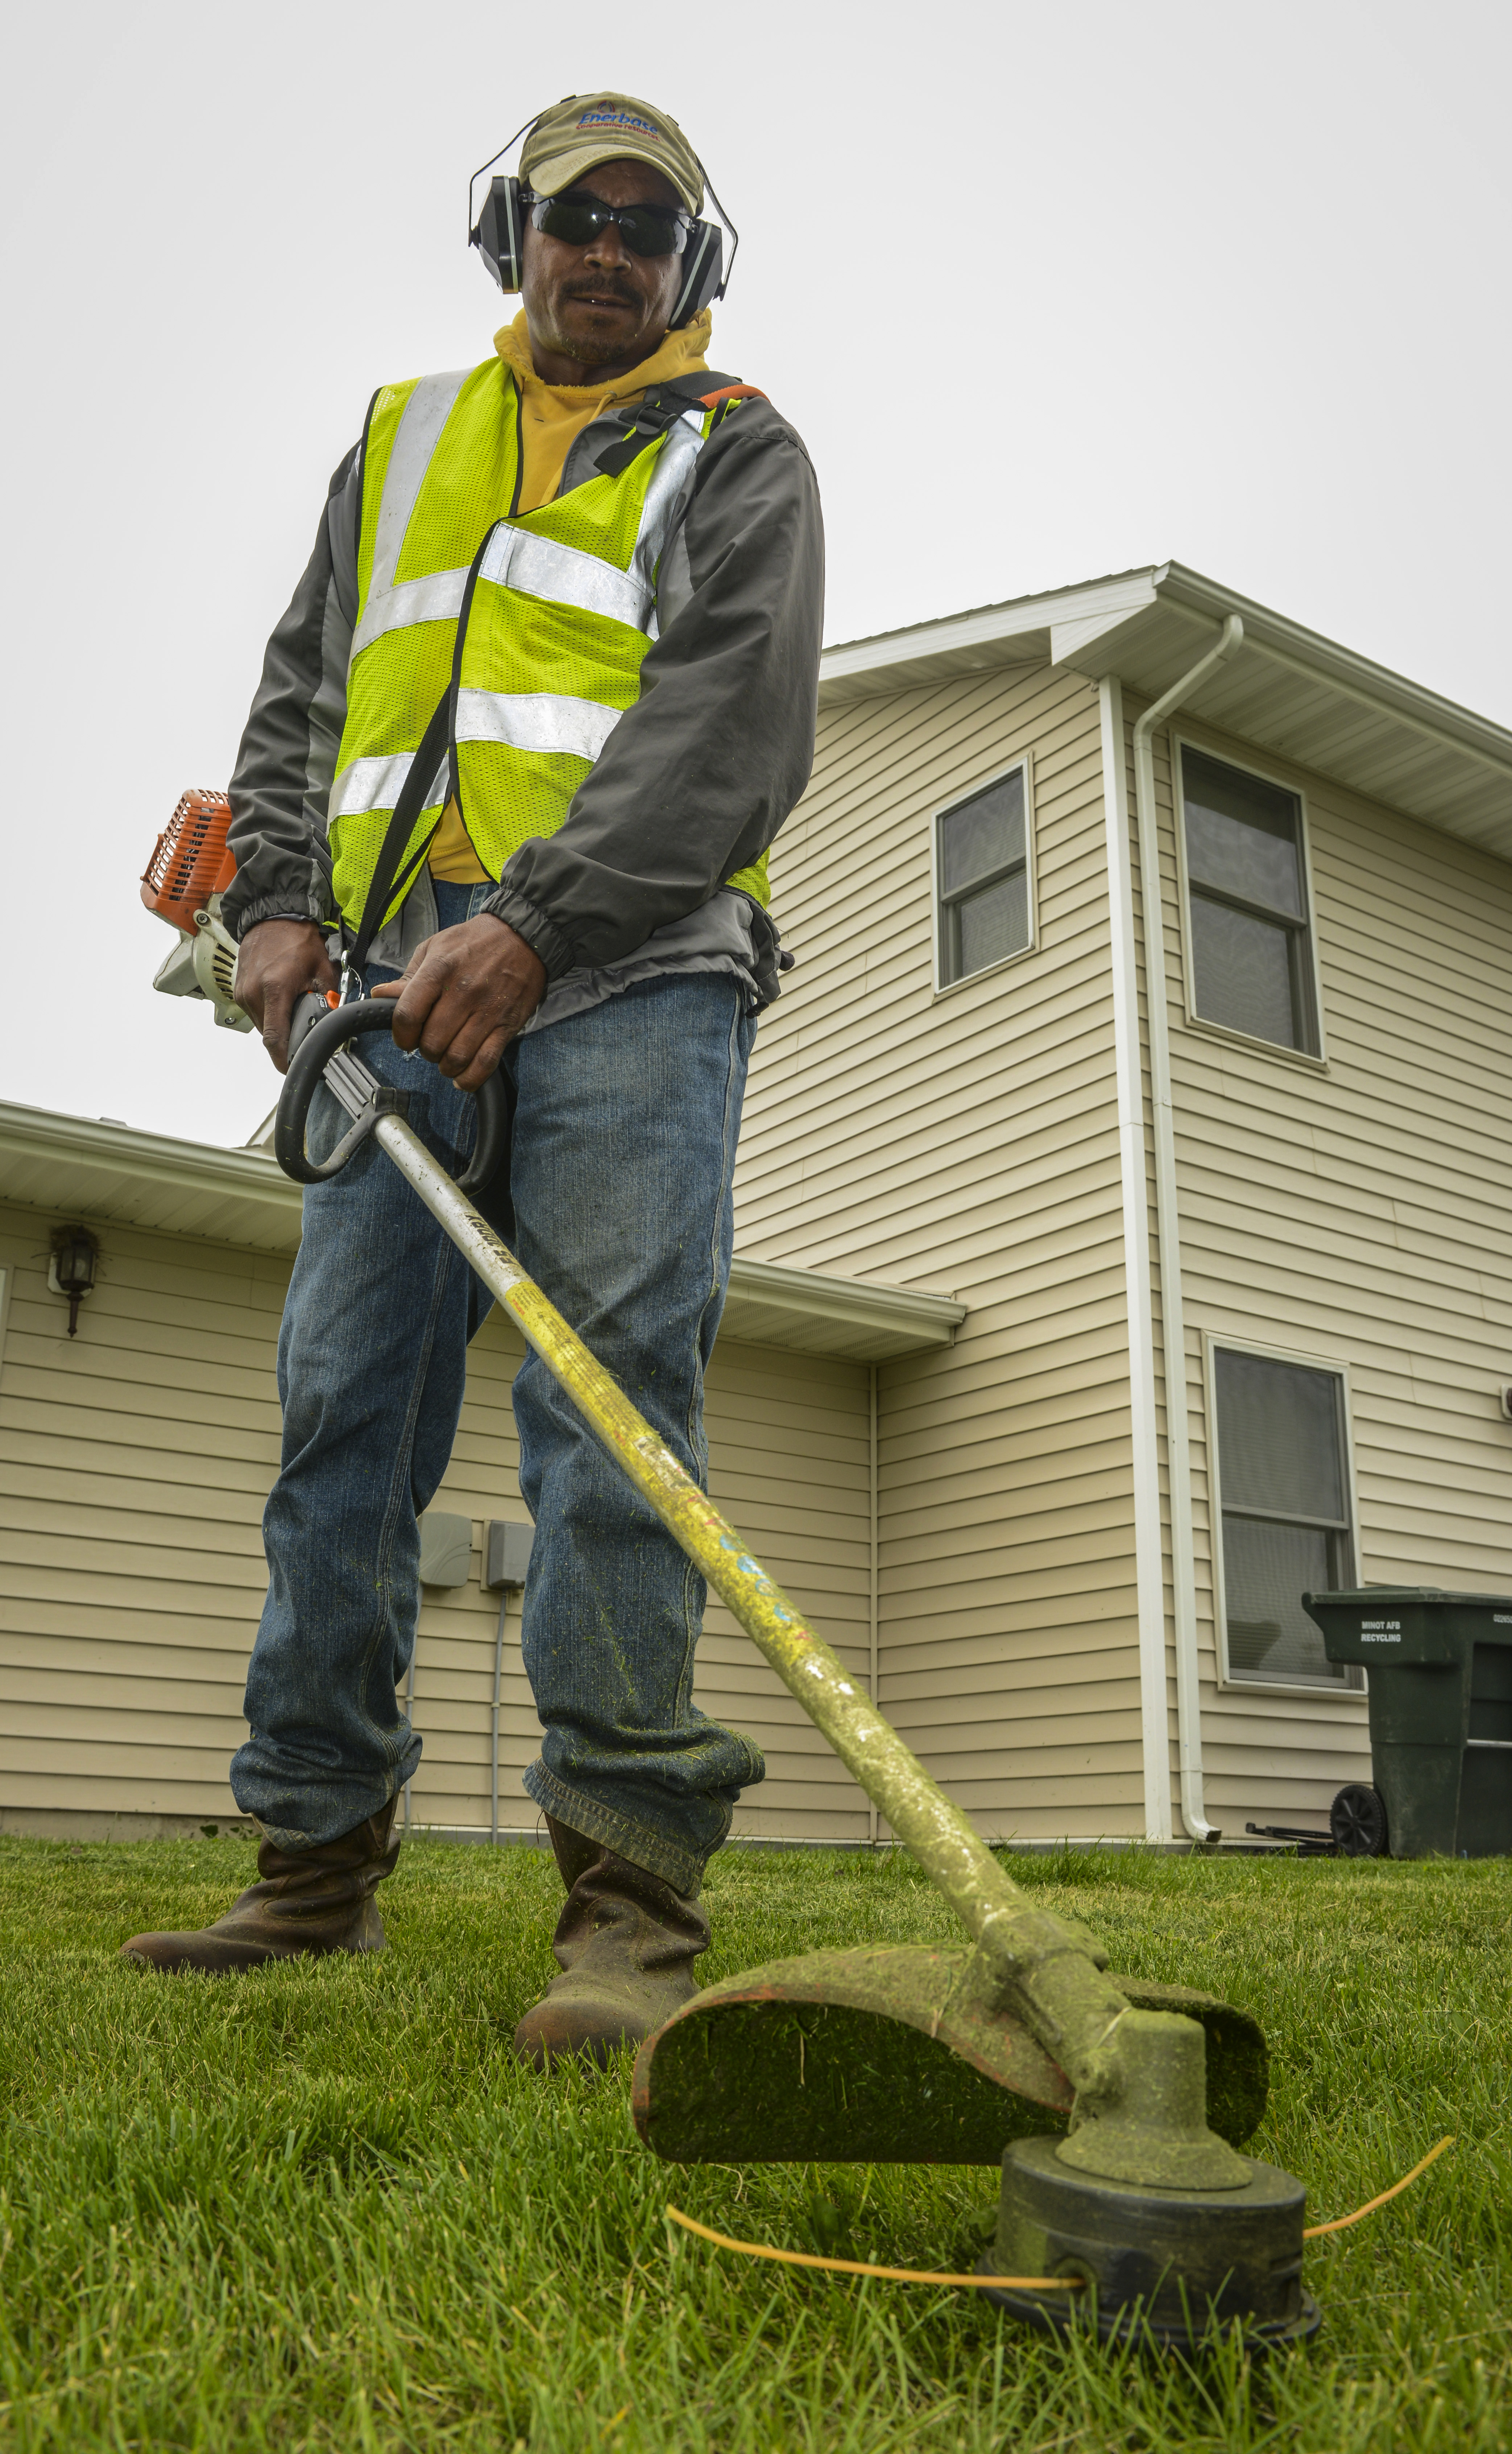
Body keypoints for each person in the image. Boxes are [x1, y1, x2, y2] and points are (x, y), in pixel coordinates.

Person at [122, 91, 825, 2063]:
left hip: (630, 980)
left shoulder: (739, 453)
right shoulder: (404, 439)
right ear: (506, 233)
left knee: (609, 1422)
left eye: (644, 222)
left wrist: (540, 927)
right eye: (565, 213)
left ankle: (627, 1900)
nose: (601, 246)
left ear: (696, 264)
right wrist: (275, 906)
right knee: (342, 1413)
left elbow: (730, 729)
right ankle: (312, 1867)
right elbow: (300, 696)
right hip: (376, 990)